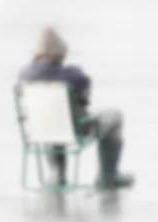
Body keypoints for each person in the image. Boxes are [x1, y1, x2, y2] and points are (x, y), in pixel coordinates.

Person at [18, 26, 134, 189]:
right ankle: (108, 176)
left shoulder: (24, 75)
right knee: (115, 116)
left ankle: (57, 175)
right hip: (75, 130)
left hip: (41, 130)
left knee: (52, 122)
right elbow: (85, 94)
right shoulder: (71, 75)